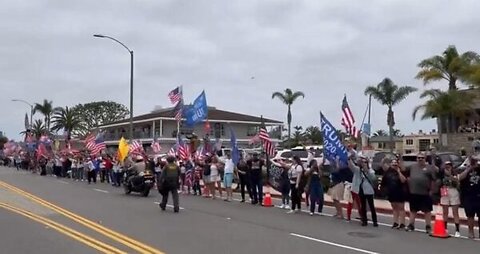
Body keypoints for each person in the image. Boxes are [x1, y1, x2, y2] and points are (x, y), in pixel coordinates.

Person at [405, 152, 436, 234]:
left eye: (422, 158)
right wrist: (400, 158)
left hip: (425, 193)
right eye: (418, 158)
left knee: (427, 211)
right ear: (416, 159)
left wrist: (431, 190)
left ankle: (428, 226)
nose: (420, 159)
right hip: (414, 192)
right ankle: (411, 225)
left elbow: (433, 180)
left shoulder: (429, 168)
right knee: (413, 210)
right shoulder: (412, 167)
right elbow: (403, 170)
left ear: (425, 159)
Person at [349, 155, 378, 227]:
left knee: (371, 206)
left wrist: (366, 170)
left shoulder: (371, 171)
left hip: (369, 190)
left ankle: (375, 221)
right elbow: (352, 167)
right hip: (361, 190)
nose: (363, 164)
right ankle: (364, 220)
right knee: (363, 206)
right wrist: (349, 159)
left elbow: (373, 178)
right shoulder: (358, 170)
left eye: (365, 162)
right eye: (362, 162)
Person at [381, 159, 407, 229]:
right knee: (394, 208)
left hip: (400, 192)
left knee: (401, 208)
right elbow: (383, 165)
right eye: (393, 163)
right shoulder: (388, 172)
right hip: (391, 192)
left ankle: (402, 223)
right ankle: (395, 222)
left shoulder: (400, 171)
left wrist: (399, 172)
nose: (394, 164)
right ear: (390, 164)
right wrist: (383, 160)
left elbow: (403, 180)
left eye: (395, 163)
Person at [459, 156, 480, 239]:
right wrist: (468, 169)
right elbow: (460, 178)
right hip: (468, 196)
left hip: (478, 195)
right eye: (472, 161)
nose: (474, 163)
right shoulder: (465, 169)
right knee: (470, 216)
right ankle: (471, 232)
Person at [440, 161, 461, 237]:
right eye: (446, 165)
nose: (447, 167)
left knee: (455, 212)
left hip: (453, 190)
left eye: (449, 165)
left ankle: (457, 230)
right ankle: (445, 228)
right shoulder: (442, 174)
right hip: (444, 191)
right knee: (445, 211)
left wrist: (450, 175)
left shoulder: (455, 174)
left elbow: (458, 182)